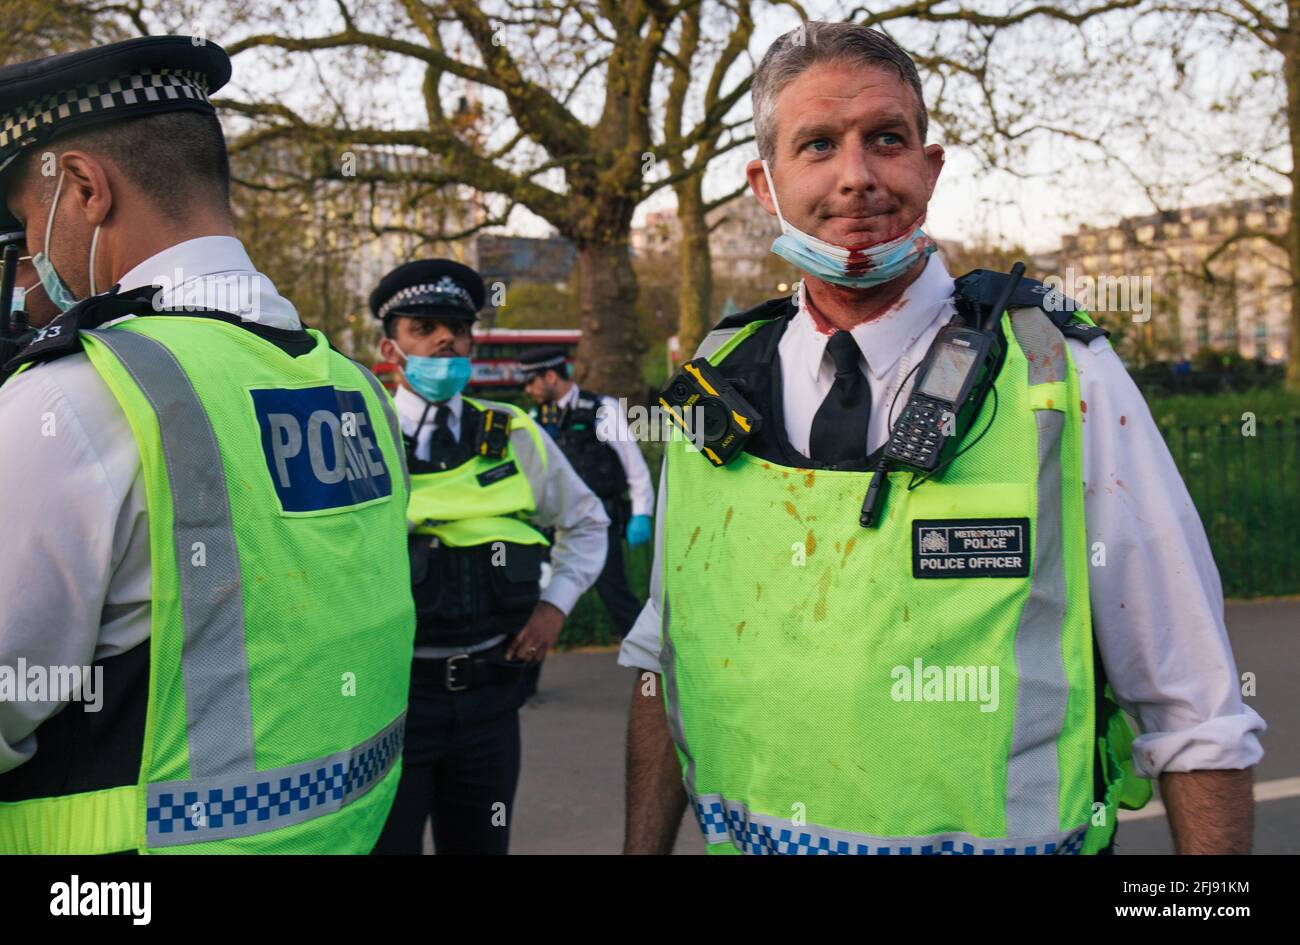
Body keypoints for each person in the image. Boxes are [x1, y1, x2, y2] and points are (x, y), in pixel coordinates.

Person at [620, 21, 1265, 856]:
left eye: (886, 138)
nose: (857, 177)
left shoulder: (1061, 376)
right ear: (764, 184)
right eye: (817, 145)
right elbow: (664, 652)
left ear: (929, 166)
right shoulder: (713, 383)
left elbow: (1193, 708)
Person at [0, 37, 416, 854]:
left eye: (24, 222)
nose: (31, 258)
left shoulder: (73, 399)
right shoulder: (354, 391)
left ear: (83, 187)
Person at [368, 260, 608, 854]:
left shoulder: (513, 433)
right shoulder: (358, 436)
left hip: (489, 704)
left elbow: (587, 521)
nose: (445, 339)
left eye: (457, 327)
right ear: (389, 347)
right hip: (387, 706)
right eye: (424, 327)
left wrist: (554, 609)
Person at [520, 346, 654, 639]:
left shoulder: (600, 408)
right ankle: (524, 673)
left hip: (598, 519)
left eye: (531, 382)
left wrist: (641, 513)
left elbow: (634, 465)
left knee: (613, 592)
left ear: (551, 376)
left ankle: (650, 657)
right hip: (551, 523)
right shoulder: (535, 418)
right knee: (539, 597)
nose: (528, 390)